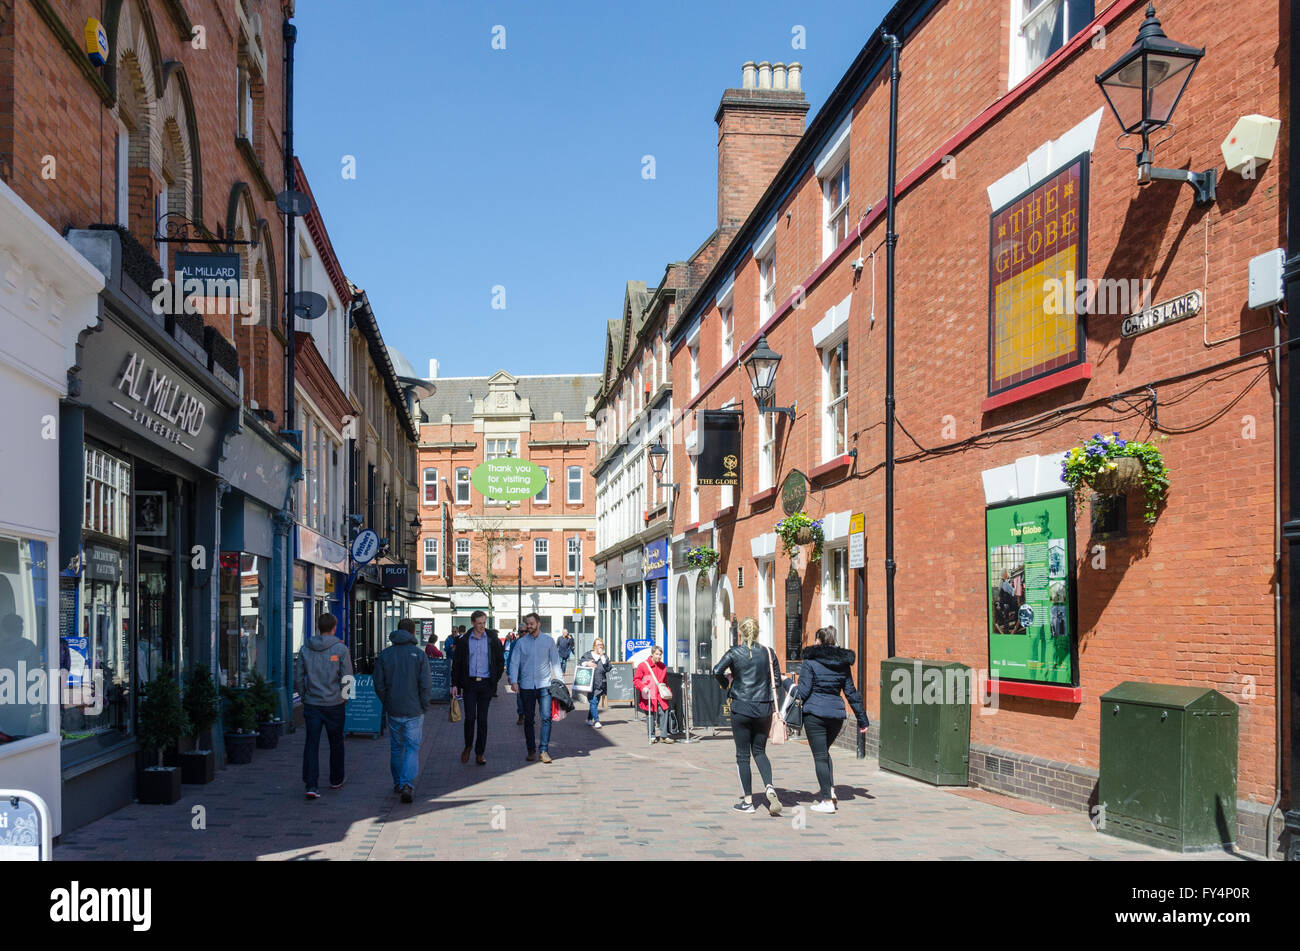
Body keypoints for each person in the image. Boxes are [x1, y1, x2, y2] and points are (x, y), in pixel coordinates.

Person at [793, 626, 868, 814]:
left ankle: (826, 800)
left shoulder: (810, 661)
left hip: (815, 714)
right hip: (836, 715)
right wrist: (862, 719)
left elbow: (802, 691)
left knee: (819, 756)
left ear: (818, 641)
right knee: (824, 753)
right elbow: (851, 692)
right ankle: (831, 790)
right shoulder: (842, 664)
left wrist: (788, 687)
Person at [713, 618, 782, 816]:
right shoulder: (768, 652)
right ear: (758, 632)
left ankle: (748, 802)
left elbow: (717, 670)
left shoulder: (734, 652)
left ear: (741, 633)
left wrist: (727, 685)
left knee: (743, 755)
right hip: (763, 708)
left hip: (741, 707)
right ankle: (769, 786)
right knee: (759, 751)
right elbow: (775, 680)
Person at [293, 613, 352, 799]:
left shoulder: (305, 648)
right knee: (336, 743)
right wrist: (345, 697)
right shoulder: (341, 649)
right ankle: (336, 779)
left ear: (318, 627)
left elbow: (298, 676)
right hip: (334, 703)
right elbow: (348, 676)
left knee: (311, 743)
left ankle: (311, 784)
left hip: (312, 703)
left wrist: (303, 695)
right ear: (334, 627)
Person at [373, 618, 433, 802]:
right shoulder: (419, 654)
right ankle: (407, 783)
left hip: (394, 709)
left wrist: (387, 701)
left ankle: (398, 782)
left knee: (397, 747)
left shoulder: (385, 655)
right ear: (414, 633)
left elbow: (378, 684)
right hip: (414, 708)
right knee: (412, 747)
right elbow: (426, 684)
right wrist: (424, 704)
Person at [507, 612, 561, 763]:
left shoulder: (548, 641)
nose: (529, 626)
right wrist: (513, 680)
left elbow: (555, 662)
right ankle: (531, 750)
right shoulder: (521, 643)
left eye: (531, 623)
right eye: (527, 624)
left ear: (538, 623)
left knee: (546, 717)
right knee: (529, 719)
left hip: (545, 685)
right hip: (526, 686)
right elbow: (514, 662)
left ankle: (544, 750)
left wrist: (560, 681)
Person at [451, 611, 504, 765]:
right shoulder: (465, 640)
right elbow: (457, 663)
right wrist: (455, 684)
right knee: (470, 718)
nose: (482, 626)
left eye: (484, 623)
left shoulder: (492, 639)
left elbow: (500, 661)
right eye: (479, 623)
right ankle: (468, 746)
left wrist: (495, 680)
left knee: (482, 720)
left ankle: (480, 753)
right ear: (472, 622)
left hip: (486, 684)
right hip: (470, 684)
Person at [633, 645, 674, 743]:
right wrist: (643, 687)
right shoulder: (643, 665)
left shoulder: (662, 666)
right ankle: (651, 735)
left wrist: (668, 691)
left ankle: (664, 736)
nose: (659, 656)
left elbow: (664, 682)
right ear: (652, 654)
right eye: (656, 654)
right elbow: (636, 680)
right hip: (649, 694)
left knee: (664, 712)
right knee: (650, 715)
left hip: (660, 694)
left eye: (660, 654)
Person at [576, 638, 611, 729]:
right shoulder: (588, 655)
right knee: (593, 701)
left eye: (601, 645)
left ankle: (589, 719)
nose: (599, 646)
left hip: (600, 682)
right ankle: (597, 721)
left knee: (595, 702)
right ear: (594, 646)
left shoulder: (604, 657)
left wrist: (602, 656)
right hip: (589, 683)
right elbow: (580, 664)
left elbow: (608, 668)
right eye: (598, 644)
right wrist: (587, 663)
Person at [502, 629, 524, 723]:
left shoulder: (533, 642)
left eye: (525, 631)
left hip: (530, 676)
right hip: (518, 675)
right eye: (521, 631)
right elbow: (510, 658)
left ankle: (529, 715)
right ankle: (521, 715)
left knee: (530, 698)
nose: (524, 633)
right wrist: (509, 674)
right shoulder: (515, 643)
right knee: (520, 697)